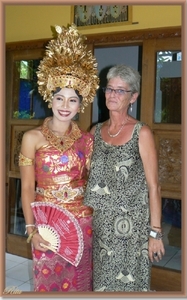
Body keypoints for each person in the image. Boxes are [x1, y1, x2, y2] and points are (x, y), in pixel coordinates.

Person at [18, 24, 99, 292]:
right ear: (49, 98)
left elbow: (93, 184)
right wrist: (31, 229)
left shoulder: (87, 139)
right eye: (59, 98)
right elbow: (28, 186)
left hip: (82, 223)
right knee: (48, 283)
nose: (65, 106)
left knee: (80, 284)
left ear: (81, 104)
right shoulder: (32, 138)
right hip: (47, 225)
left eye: (73, 100)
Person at [84, 64, 165, 292]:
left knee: (131, 288)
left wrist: (155, 233)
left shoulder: (142, 132)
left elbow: (154, 186)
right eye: (110, 89)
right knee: (102, 284)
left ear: (133, 97)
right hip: (101, 227)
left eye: (121, 90)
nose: (112, 95)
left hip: (133, 230)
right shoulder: (95, 131)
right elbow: (86, 175)